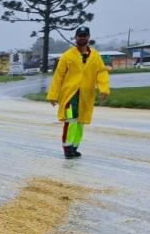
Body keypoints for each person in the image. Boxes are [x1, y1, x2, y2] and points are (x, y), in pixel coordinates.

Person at [46, 26, 110, 159]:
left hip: (86, 95)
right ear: (75, 38)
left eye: (84, 35)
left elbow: (101, 72)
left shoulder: (95, 56)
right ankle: (67, 147)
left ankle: (75, 147)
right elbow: (59, 76)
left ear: (88, 37)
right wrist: (53, 94)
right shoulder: (67, 56)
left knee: (80, 122)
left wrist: (104, 89)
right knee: (71, 120)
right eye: (79, 35)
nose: (82, 38)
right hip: (70, 95)